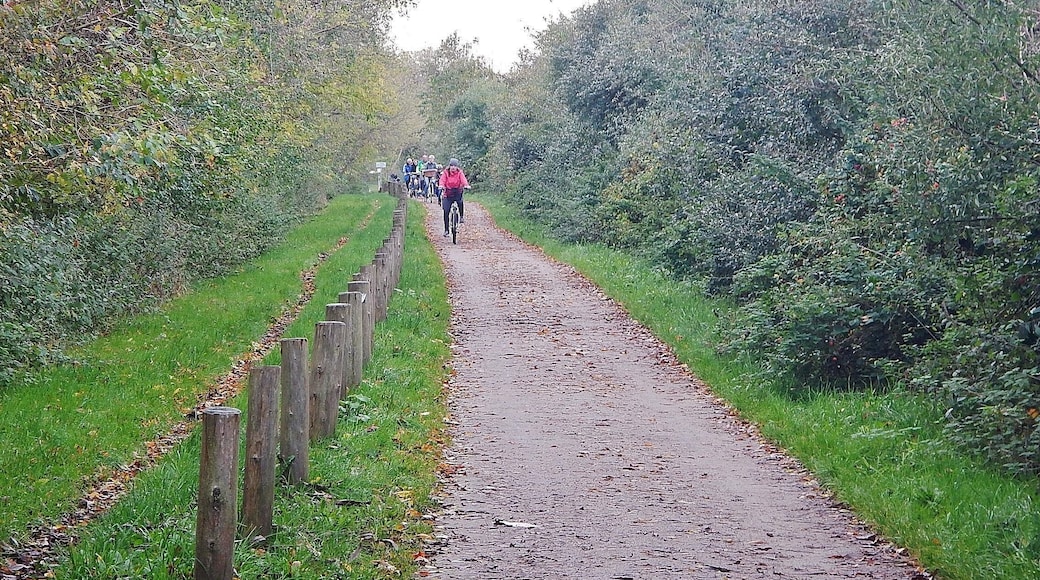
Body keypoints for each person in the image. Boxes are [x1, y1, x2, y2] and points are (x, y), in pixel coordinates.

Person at [439, 158, 470, 236]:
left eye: (455, 166)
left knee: (460, 201)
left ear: (457, 167)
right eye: (451, 165)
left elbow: (463, 179)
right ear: (449, 166)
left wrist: (466, 185)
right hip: (448, 193)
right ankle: (446, 230)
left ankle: (461, 216)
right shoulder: (446, 173)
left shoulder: (459, 172)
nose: (453, 167)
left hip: (457, 191)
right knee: (446, 211)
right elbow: (442, 180)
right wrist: (441, 186)